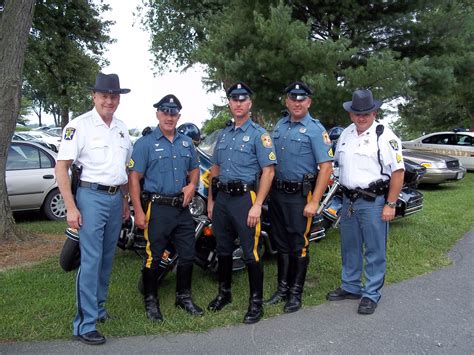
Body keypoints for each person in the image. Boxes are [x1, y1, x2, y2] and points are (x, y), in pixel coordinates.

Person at [55, 73, 132, 345]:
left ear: (118, 99)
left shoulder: (122, 129)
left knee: (107, 258)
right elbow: (61, 167)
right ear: (94, 96)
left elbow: (122, 170)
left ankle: (98, 310)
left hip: (114, 199)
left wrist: (124, 201)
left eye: (113, 96)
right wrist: (71, 206)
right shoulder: (79, 126)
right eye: (104, 96)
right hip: (89, 197)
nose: (109, 100)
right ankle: (84, 324)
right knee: (90, 261)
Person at [326, 89, 405, 315]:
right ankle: (351, 286)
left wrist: (390, 205)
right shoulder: (346, 134)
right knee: (349, 246)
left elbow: (398, 173)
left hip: (375, 202)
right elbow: (337, 164)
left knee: (374, 249)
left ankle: (371, 293)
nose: (361, 117)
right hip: (349, 199)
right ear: (351, 114)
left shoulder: (385, 136)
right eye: (357, 113)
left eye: (366, 113)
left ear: (374, 112)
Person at [128, 94, 203, 322]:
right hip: (158, 208)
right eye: (165, 112)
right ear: (157, 114)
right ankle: (151, 302)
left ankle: (184, 297)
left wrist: (192, 185)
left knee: (188, 254)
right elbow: (134, 178)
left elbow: (195, 169)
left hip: (182, 209)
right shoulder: (145, 144)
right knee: (155, 256)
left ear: (178, 116)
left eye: (173, 113)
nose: (169, 117)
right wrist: (139, 211)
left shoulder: (186, 143)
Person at [207, 82, 276, 324]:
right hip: (222, 199)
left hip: (245, 199)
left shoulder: (259, 135)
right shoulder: (224, 134)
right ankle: (224, 294)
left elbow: (268, 171)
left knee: (250, 251)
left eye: (242, 99)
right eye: (234, 99)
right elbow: (215, 169)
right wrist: (211, 200)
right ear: (229, 103)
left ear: (250, 103)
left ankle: (255, 303)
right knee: (223, 248)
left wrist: (258, 205)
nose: (238, 103)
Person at [266, 82, 333, 313]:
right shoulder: (280, 126)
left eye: (301, 99)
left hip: (300, 197)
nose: (297, 102)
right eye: (292, 98)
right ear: (287, 101)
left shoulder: (316, 129)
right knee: (281, 243)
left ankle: (295, 293)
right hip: (277, 194)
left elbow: (326, 168)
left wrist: (315, 201)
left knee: (298, 244)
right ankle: (282, 289)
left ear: (309, 102)